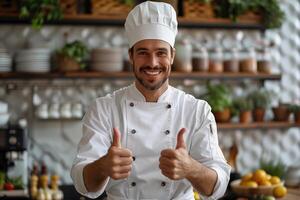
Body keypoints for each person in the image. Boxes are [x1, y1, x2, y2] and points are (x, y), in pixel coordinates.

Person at [71, 1, 231, 199]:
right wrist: (102, 166)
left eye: (161, 53)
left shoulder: (196, 110)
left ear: (172, 56)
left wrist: (191, 168)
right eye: (143, 52)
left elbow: (219, 186)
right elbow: (81, 182)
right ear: (131, 56)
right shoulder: (104, 108)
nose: (152, 63)